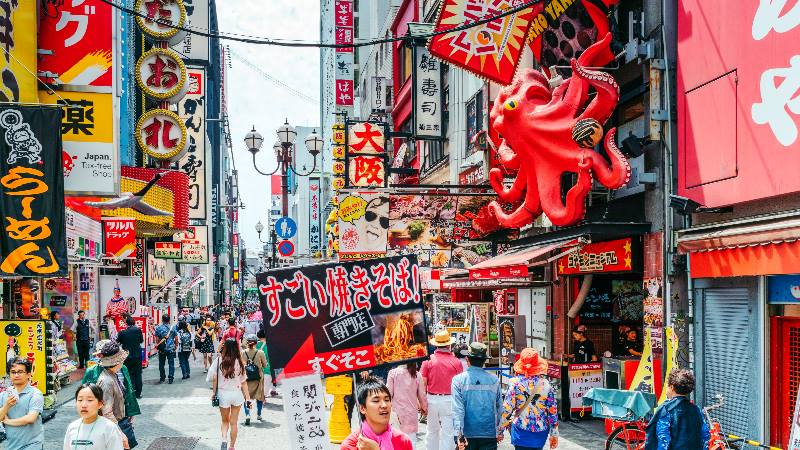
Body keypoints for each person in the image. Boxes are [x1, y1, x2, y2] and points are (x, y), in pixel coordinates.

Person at [500, 348, 559, 450]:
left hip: (520, 430)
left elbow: (507, 409)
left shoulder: (515, 383)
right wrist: (554, 434)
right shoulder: (546, 384)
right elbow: (552, 411)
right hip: (540, 431)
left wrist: (499, 430)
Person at [452, 342, 504, 450]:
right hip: (489, 433)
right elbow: (500, 408)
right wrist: (499, 431)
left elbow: (458, 410)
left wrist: (459, 434)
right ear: (484, 361)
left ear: (467, 359)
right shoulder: (494, 380)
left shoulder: (458, 380)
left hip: (467, 434)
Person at [340, 377, 414, 450]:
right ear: (362, 408)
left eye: (387, 399)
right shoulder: (349, 446)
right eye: (376, 401)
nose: (384, 405)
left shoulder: (403, 440)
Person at [644, 369, 710, 450]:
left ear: (671, 387)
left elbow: (663, 439)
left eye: (667, 386)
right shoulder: (696, 409)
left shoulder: (666, 409)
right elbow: (705, 435)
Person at [420, 329, 464, 450]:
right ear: (449, 344)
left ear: (436, 344)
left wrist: (422, 403)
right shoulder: (456, 362)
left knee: (431, 431)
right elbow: (460, 385)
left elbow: (422, 384)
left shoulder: (428, 360)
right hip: (450, 400)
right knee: (448, 433)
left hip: (431, 399)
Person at [207, 339, 251, 450]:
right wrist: (248, 399)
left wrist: (213, 393)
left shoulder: (218, 361)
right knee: (234, 423)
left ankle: (224, 439)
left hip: (223, 395)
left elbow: (214, 378)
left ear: (225, 348)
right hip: (237, 395)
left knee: (224, 421)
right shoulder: (239, 362)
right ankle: (232, 446)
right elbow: (244, 382)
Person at [96, 341, 137, 448]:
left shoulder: (112, 375)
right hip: (115, 426)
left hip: (120, 423)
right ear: (118, 362)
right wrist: (120, 433)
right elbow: (107, 412)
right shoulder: (107, 381)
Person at [63, 383, 125, 450]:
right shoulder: (72, 427)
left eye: (89, 400)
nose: (84, 405)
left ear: (100, 404)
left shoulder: (109, 428)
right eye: (80, 400)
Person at [0, 357, 44, 450]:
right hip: (11, 446)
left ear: (28, 374)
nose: (16, 375)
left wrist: (8, 421)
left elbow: (30, 418)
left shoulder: (35, 394)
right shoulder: (4, 395)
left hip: (32, 445)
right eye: (13, 372)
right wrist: (7, 406)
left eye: (20, 372)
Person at [386, 362, 426, 444]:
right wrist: (424, 408)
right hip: (411, 414)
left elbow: (388, 394)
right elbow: (422, 395)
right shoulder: (417, 374)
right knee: (411, 442)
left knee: (396, 442)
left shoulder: (393, 373)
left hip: (396, 413)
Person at [241, 334, 267, 425]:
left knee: (247, 397)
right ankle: (259, 414)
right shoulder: (260, 352)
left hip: (247, 378)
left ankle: (248, 414)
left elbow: (241, 365)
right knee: (259, 396)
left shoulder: (243, 352)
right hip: (258, 378)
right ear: (256, 342)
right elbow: (265, 365)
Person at [116, 316, 144, 398]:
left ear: (126, 323)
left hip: (127, 356)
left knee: (128, 374)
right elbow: (141, 340)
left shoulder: (122, 333)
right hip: (137, 355)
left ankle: (130, 392)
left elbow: (118, 342)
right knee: (138, 374)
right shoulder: (138, 330)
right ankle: (138, 393)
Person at [154, 314, 178, 384]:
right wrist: (176, 345)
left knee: (161, 364)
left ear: (162, 319)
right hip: (171, 348)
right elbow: (176, 338)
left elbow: (157, 339)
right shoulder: (173, 327)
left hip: (162, 349)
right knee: (171, 364)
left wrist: (159, 345)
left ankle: (162, 377)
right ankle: (170, 378)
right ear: (169, 320)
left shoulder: (159, 328)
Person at [255, 330, 278, 397]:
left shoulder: (255, 345)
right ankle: (263, 397)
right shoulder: (270, 345)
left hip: (257, 369)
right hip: (267, 368)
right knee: (266, 385)